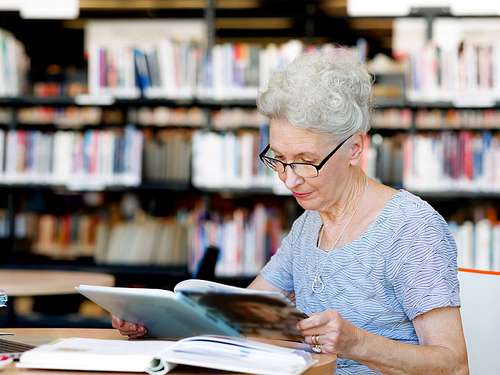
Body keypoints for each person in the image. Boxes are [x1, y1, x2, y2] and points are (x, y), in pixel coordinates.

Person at [112, 48, 469, 374]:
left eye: (306, 161)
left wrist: (357, 344)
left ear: (355, 148)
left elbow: (454, 367)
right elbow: (236, 317)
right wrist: (154, 321)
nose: (288, 179)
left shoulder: (411, 229)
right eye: (278, 159)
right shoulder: (308, 224)